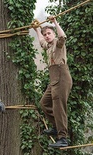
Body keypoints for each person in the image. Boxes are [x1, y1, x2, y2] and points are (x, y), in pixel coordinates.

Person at [33, 16, 73, 148]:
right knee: (44, 103)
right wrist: (37, 30)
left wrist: (54, 22)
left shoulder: (57, 43)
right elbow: (41, 42)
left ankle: (63, 137)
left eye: (49, 33)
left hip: (61, 77)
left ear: (53, 34)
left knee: (59, 108)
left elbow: (63, 37)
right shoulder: (48, 45)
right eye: (45, 34)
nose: (47, 36)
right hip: (53, 79)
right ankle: (56, 127)